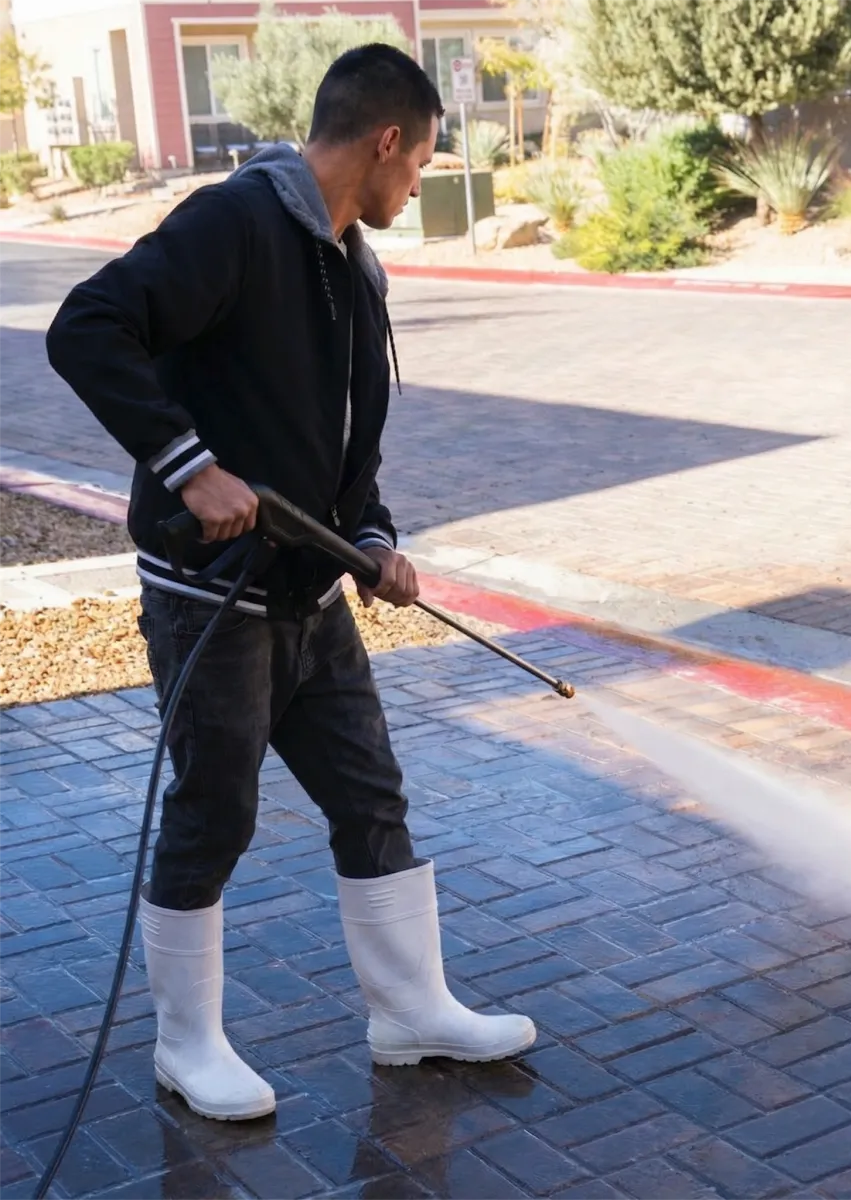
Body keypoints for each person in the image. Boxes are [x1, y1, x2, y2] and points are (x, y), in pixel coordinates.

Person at [44, 44, 535, 1123]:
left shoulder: (356, 261)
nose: (420, 187)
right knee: (214, 814)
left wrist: (373, 536)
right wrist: (187, 464)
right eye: (421, 166)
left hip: (311, 601)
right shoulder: (234, 225)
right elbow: (85, 328)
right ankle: (187, 1045)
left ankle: (411, 1013)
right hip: (209, 596)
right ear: (386, 140)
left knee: (371, 798)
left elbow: (345, 439)